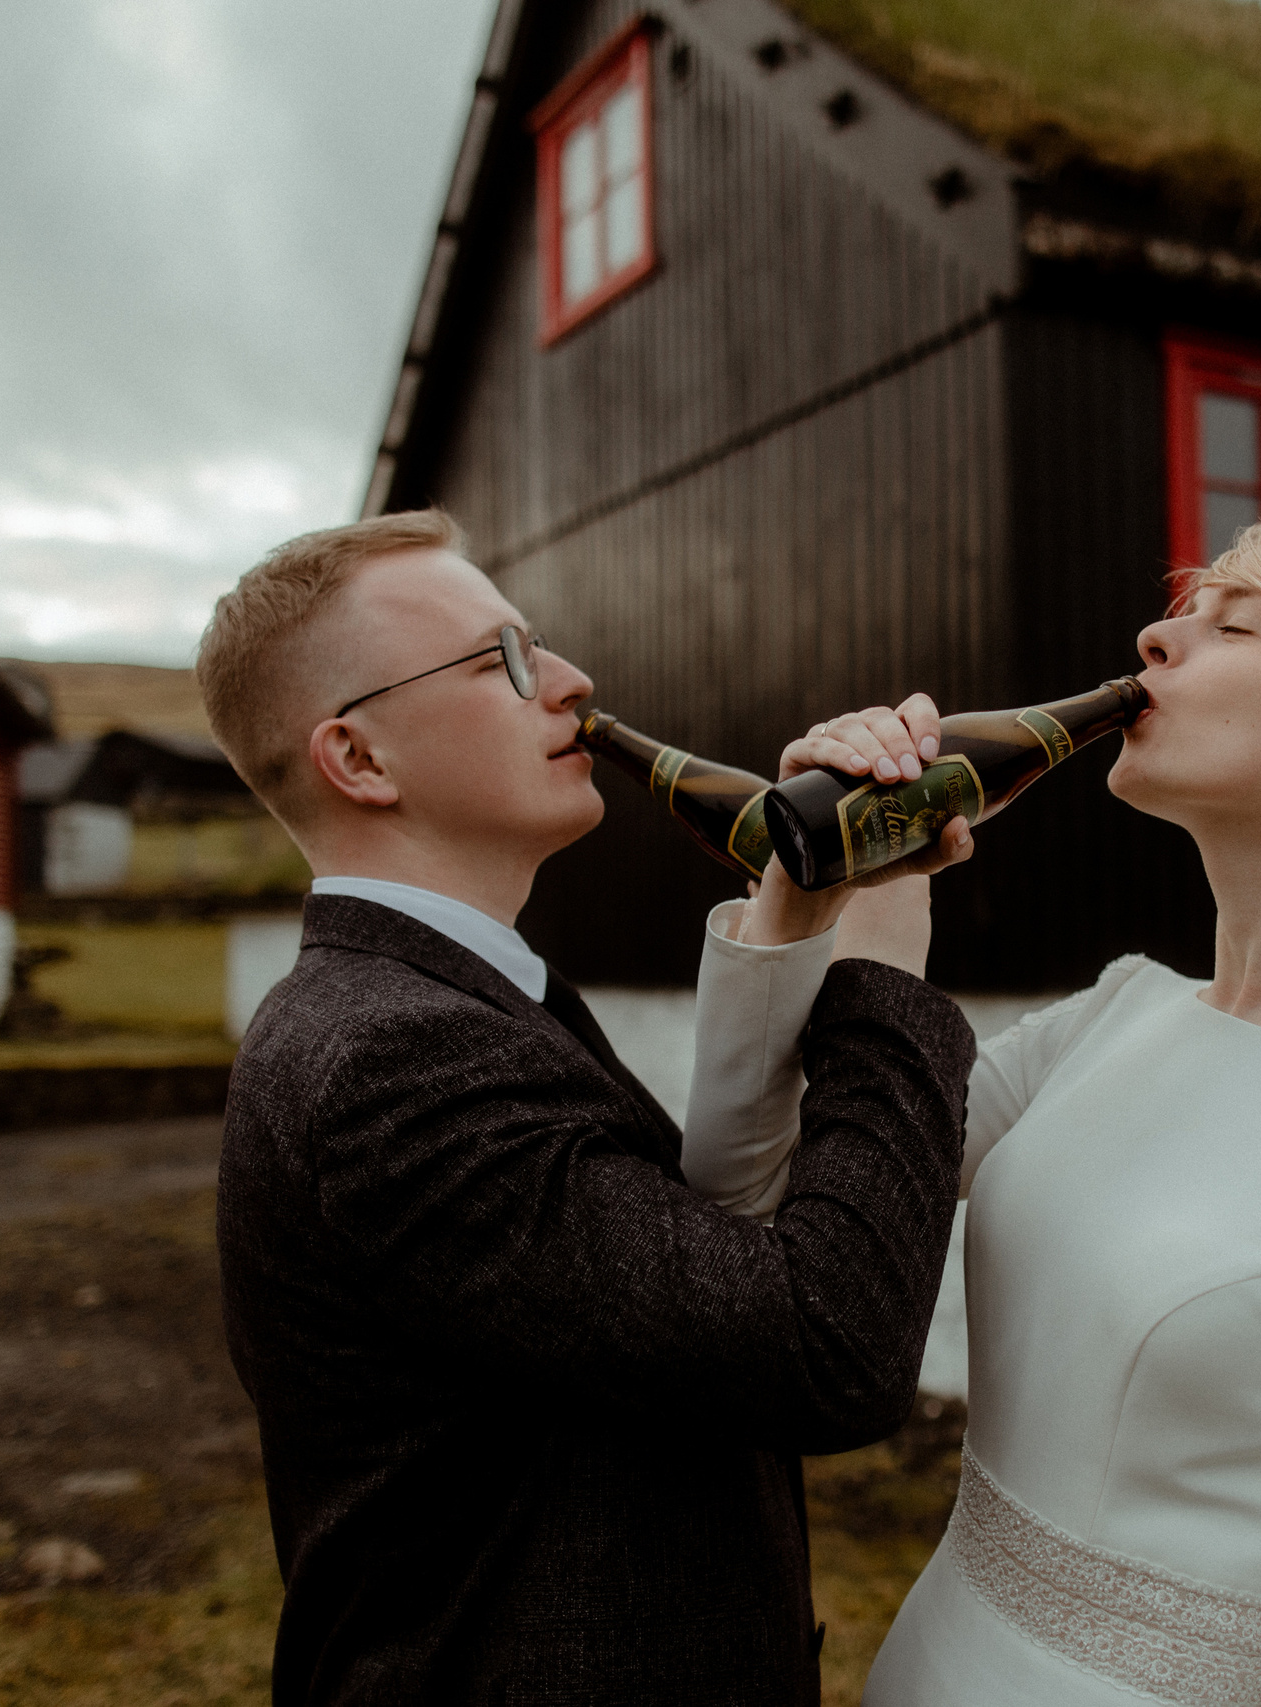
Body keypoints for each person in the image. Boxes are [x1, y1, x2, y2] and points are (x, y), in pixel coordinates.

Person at [683, 520, 1261, 1707]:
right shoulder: (1112, 1017)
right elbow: (743, 1209)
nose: (1155, 635)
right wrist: (826, 900)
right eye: (1180, 609)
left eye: (1234, 622)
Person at [199, 508, 978, 1706]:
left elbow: (685, 1268)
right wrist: (881, 952)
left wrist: (804, 908)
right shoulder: (393, 1058)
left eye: (540, 645)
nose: (569, 682)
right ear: (358, 759)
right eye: (500, 661)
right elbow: (826, 1347)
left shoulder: (450, 1002)